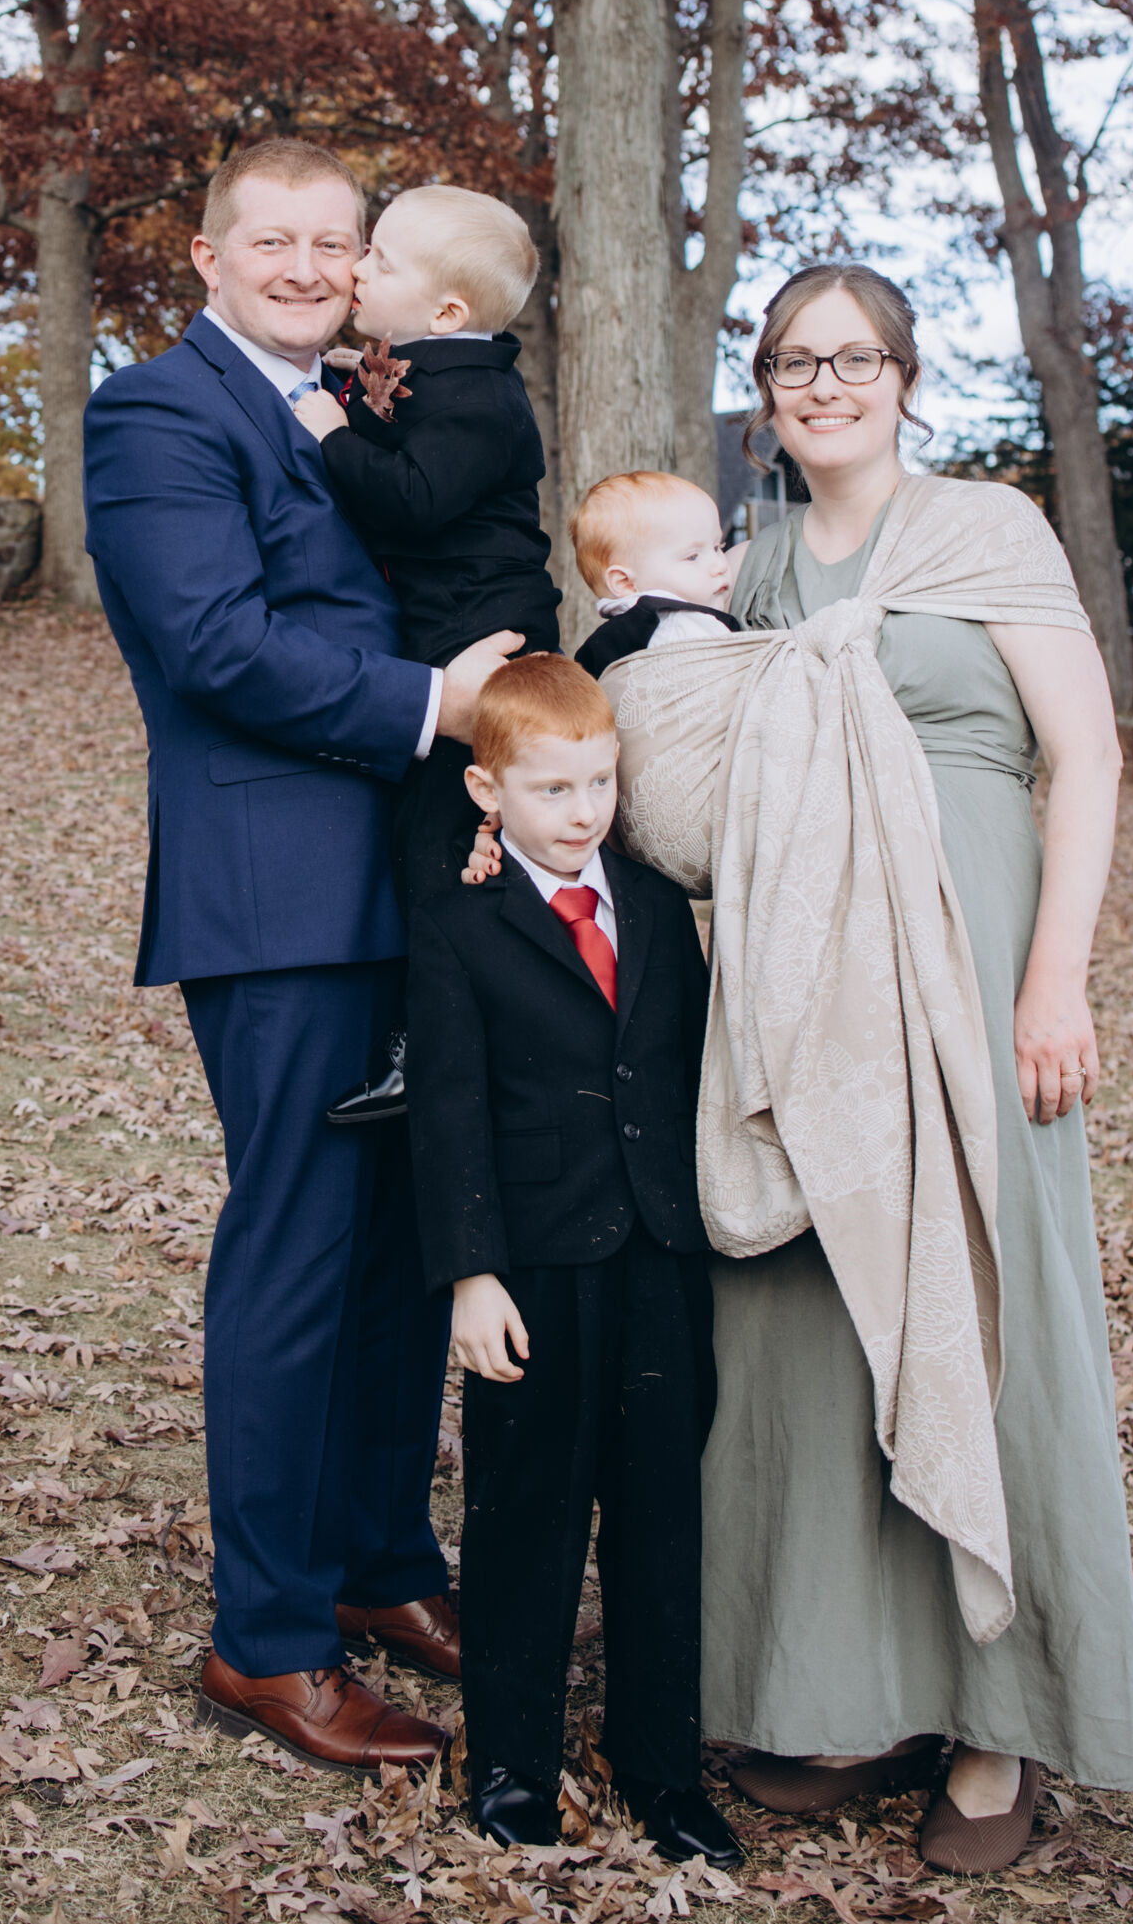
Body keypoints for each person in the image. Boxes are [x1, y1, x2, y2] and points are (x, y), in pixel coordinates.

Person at [699, 263, 1133, 1875]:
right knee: (814, 1315)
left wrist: (1055, 979)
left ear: (905, 377)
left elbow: (1086, 756)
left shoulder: (988, 530)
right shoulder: (754, 562)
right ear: (766, 393)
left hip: (976, 967)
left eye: (856, 357)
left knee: (983, 1291)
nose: (825, 384)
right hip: (806, 981)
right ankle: (845, 1684)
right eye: (794, 361)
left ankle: (997, 1715)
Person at [80, 137, 520, 1774]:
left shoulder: (368, 407)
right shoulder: (159, 414)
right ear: (208, 256)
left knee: (410, 1235)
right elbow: (214, 645)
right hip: (279, 897)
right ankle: (265, 1641)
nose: (308, 267)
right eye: (273, 239)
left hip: (418, 884)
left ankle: (379, 1561)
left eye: (336, 243)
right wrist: (436, 702)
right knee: (299, 1248)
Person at [407, 655, 741, 1871]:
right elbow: (447, 1112)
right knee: (527, 1520)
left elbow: (691, 1066)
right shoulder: (458, 924)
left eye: (600, 782)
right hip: (536, 1272)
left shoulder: (653, 906)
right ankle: (512, 1766)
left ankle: (663, 1770)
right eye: (553, 788)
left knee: (660, 1524)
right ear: (488, 791)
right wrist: (471, 1274)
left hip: (660, 1259)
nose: (584, 810)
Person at [289, 183, 558, 1127]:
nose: (356, 266)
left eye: (380, 258)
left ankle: (439, 1045)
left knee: (447, 843)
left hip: (486, 636)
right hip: (441, 627)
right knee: (430, 836)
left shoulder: (481, 397)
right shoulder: (433, 370)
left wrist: (332, 433)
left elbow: (411, 499)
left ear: (446, 312)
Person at [568, 471, 741, 686]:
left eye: (717, 547)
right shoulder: (681, 628)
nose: (720, 565)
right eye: (692, 557)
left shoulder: (607, 644)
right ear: (625, 583)